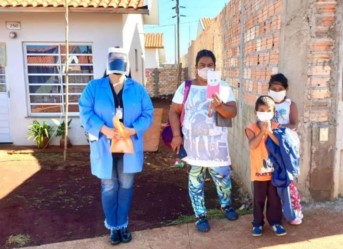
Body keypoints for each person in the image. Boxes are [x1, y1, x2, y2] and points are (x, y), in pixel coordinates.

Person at [79, 47, 154, 245]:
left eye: (120, 71)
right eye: (114, 71)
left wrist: (133, 129)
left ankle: (123, 224)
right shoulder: (94, 88)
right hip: (105, 146)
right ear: (107, 68)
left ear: (126, 68)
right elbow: (85, 112)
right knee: (109, 186)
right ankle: (113, 226)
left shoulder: (137, 89)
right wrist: (103, 129)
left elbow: (148, 113)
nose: (117, 75)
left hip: (128, 147)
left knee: (126, 185)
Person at [168, 49, 239, 233]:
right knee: (195, 180)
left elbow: (232, 112)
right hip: (193, 147)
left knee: (223, 178)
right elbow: (173, 112)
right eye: (202, 65)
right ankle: (200, 215)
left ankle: (226, 205)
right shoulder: (186, 88)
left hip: (217, 146)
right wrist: (176, 136)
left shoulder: (222, 87)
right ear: (196, 67)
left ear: (215, 67)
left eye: (210, 65)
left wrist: (219, 105)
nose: (206, 69)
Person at [245, 96, 287, 237]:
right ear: (255, 112)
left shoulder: (277, 128)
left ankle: (275, 222)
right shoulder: (251, 128)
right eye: (261, 110)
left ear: (273, 112)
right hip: (258, 173)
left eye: (268, 110)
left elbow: (281, 145)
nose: (265, 113)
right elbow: (252, 145)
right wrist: (262, 132)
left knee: (275, 200)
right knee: (258, 200)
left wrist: (269, 131)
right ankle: (257, 224)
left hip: (275, 173)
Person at [267, 73, 303, 225]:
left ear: (285, 89)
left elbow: (294, 124)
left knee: (289, 180)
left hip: (287, 148)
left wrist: (279, 127)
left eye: (279, 88)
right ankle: (278, 211)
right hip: (271, 147)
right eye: (273, 88)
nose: (276, 91)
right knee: (274, 180)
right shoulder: (266, 103)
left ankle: (295, 211)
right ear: (269, 89)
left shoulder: (290, 105)